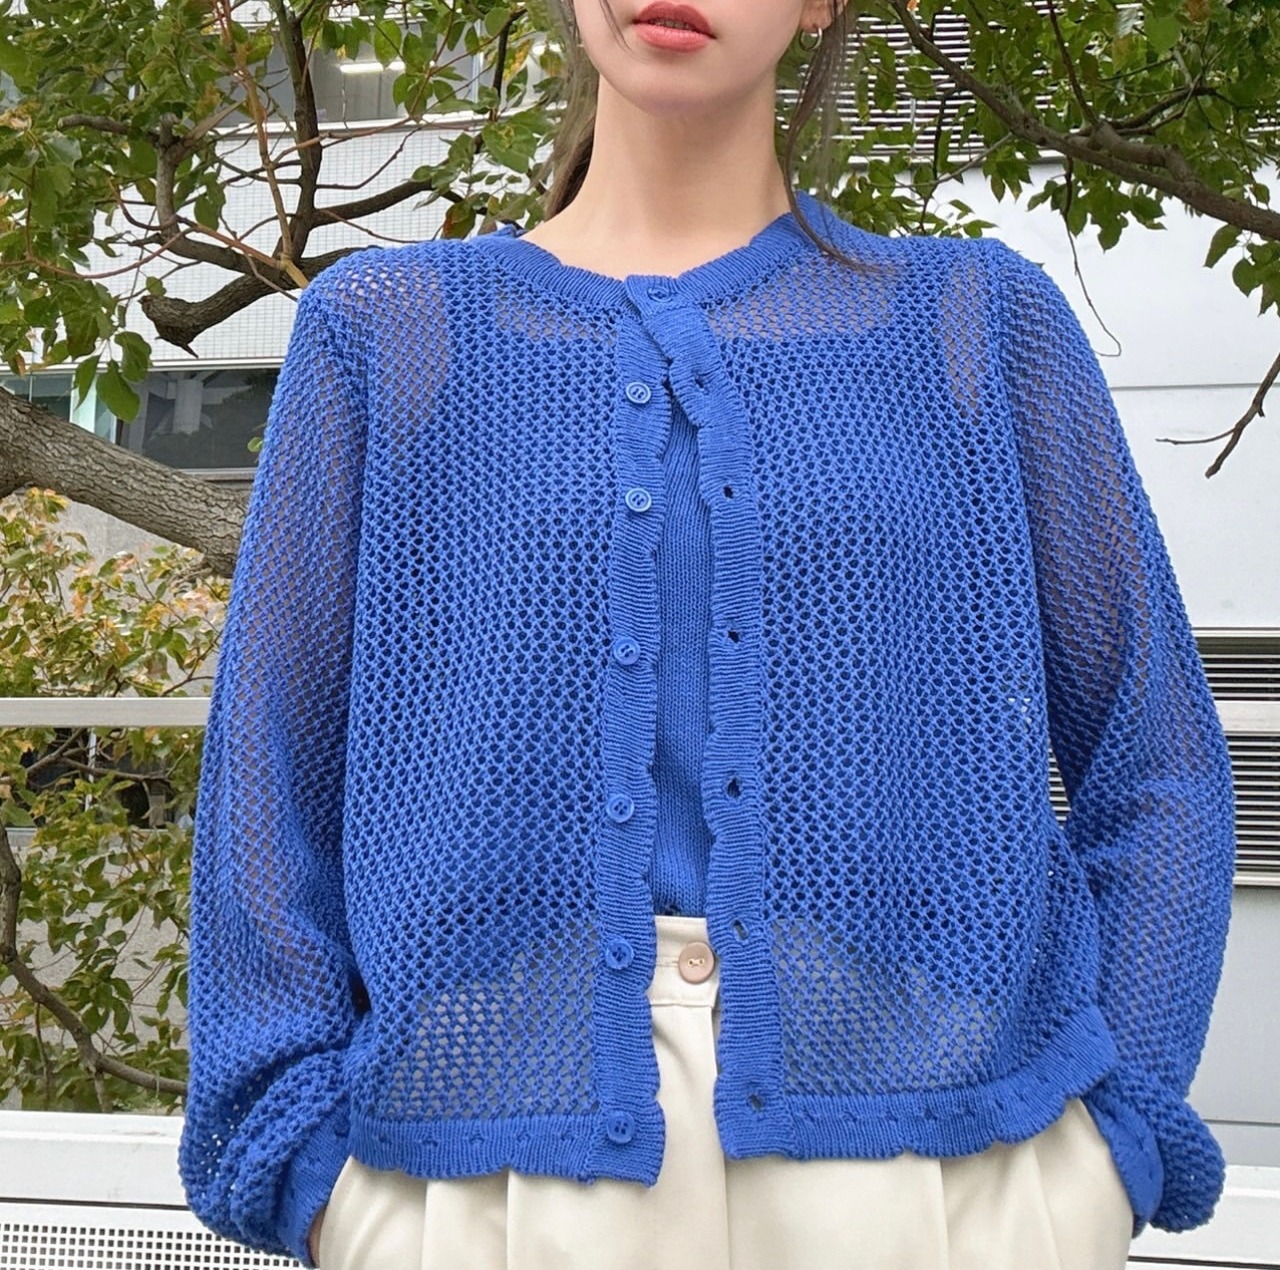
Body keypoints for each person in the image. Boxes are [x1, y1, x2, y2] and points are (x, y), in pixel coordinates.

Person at [178, 1, 1239, 1268]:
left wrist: (1111, 1147)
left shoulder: (973, 324)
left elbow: (1158, 756)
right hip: (487, 1171)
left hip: (948, 1162)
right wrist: (310, 1170)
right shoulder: (389, 334)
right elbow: (268, 776)